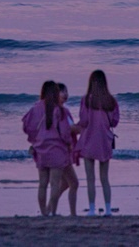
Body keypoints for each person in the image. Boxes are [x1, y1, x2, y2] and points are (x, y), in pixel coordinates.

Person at [23, 81, 76, 215]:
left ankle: (44, 213)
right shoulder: (60, 110)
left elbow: (27, 126)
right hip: (57, 150)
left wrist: (35, 140)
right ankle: (52, 213)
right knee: (55, 184)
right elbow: (65, 133)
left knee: (42, 184)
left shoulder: (35, 108)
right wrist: (69, 143)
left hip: (40, 150)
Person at [76, 70, 120, 216]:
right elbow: (115, 121)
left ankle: (92, 209)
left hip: (89, 140)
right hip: (104, 141)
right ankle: (108, 209)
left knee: (90, 178)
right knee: (105, 178)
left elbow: (84, 121)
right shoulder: (111, 101)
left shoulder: (86, 100)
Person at [57, 83, 79, 217]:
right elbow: (69, 129)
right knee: (74, 183)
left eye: (66, 91)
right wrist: (84, 128)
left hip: (64, 150)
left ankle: (49, 207)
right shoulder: (60, 112)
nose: (65, 94)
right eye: (62, 92)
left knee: (65, 183)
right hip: (62, 151)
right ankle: (73, 214)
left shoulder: (64, 110)